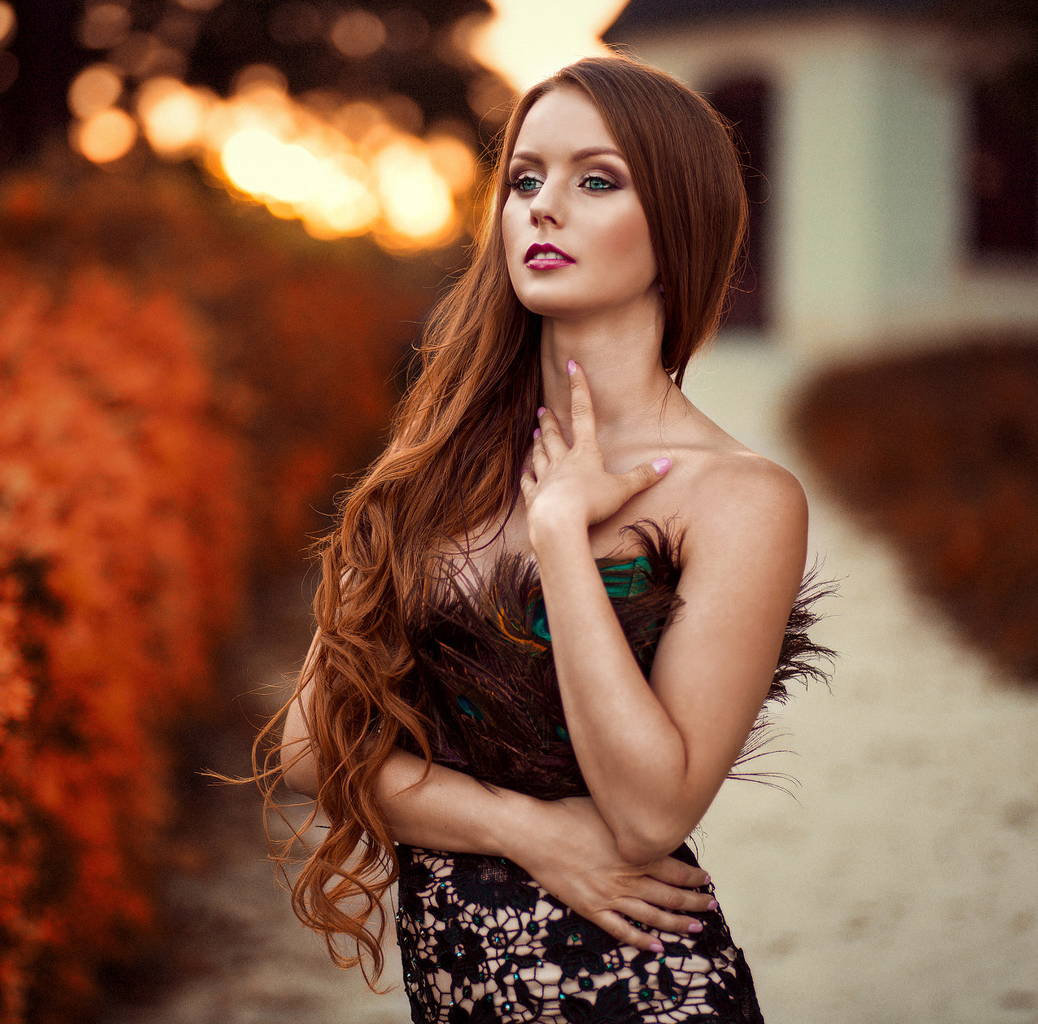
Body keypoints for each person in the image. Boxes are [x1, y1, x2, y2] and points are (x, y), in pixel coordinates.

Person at [264, 55, 831, 1024]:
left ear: (679, 224)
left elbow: (651, 812)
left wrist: (563, 536)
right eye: (524, 179)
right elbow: (310, 748)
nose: (542, 206)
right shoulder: (432, 464)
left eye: (594, 179)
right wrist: (522, 828)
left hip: (636, 989)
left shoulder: (741, 498)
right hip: (456, 996)